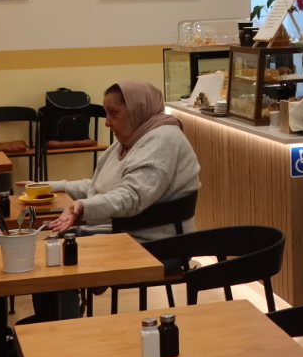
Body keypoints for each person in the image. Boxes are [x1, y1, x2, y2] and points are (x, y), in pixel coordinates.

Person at [47, 81, 201, 239]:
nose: (107, 122)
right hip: (120, 231)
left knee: (53, 247)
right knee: (50, 242)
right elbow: (99, 187)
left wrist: (83, 206)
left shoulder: (164, 140)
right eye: (107, 113)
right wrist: (49, 187)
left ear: (137, 109)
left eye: (113, 113)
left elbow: (131, 196)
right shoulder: (134, 137)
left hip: (152, 242)